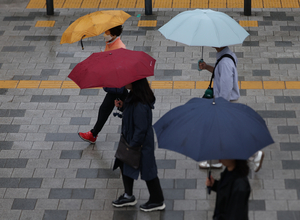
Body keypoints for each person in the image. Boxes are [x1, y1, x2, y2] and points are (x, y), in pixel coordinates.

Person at [198, 46, 264, 172]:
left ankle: (255, 154)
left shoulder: (225, 62)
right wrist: (207, 67)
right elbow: (220, 74)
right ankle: (215, 160)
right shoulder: (225, 57)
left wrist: (221, 108)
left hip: (226, 103)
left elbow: (226, 87)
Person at [112, 78, 165, 212]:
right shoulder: (134, 96)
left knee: (148, 171)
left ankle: (157, 200)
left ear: (134, 82)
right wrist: (122, 106)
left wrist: (132, 146)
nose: (124, 81)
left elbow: (141, 129)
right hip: (132, 141)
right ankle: (128, 195)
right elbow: (131, 114)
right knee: (125, 164)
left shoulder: (140, 104)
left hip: (139, 144)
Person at [78, 25, 128, 144]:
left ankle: (93, 134)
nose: (105, 34)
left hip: (116, 84)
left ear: (113, 34)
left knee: (106, 109)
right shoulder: (110, 43)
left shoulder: (119, 47)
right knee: (126, 106)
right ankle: (93, 134)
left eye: (107, 32)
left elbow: (118, 67)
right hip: (114, 83)